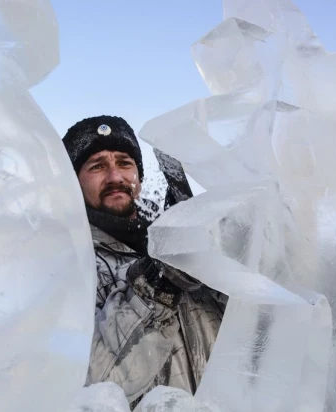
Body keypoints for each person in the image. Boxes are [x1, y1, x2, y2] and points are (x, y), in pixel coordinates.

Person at [62, 115, 227, 406]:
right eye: (97, 166)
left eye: (125, 163)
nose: (115, 177)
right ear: (73, 181)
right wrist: (159, 281)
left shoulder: (187, 242)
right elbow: (89, 387)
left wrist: (228, 251)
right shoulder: (67, 266)